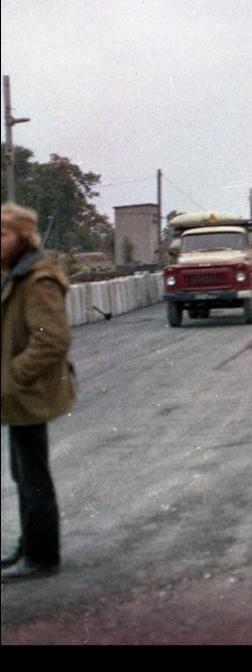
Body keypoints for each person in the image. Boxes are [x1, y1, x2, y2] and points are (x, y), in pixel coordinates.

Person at [1, 203, 76, 583]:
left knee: (32, 475)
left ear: (24, 238)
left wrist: (12, 376)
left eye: (2, 235)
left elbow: (52, 341)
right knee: (23, 471)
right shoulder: (18, 273)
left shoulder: (38, 279)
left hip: (28, 392)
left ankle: (42, 556)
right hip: (20, 393)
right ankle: (30, 545)